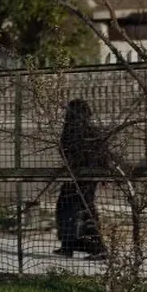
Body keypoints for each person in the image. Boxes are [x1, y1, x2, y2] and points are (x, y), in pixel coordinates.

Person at [55, 98, 108, 260]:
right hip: (82, 177)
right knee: (69, 207)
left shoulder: (77, 131)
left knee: (83, 210)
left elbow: (69, 152)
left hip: (83, 177)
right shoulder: (88, 131)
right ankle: (69, 245)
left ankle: (96, 248)